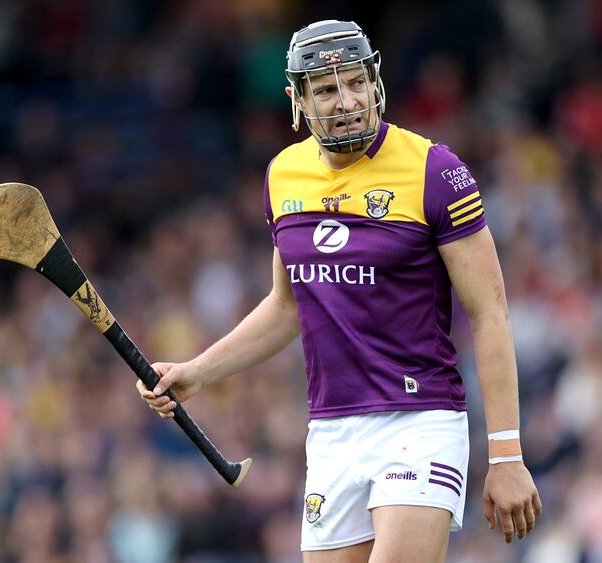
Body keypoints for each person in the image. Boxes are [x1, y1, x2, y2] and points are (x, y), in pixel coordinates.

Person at [137, 19, 542, 562]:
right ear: (297, 99)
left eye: (355, 82)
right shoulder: (284, 175)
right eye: (326, 89)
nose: (346, 100)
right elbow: (287, 306)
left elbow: (490, 313)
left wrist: (506, 453)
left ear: (375, 82)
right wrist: (199, 370)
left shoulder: (434, 171)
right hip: (331, 430)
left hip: (418, 420)